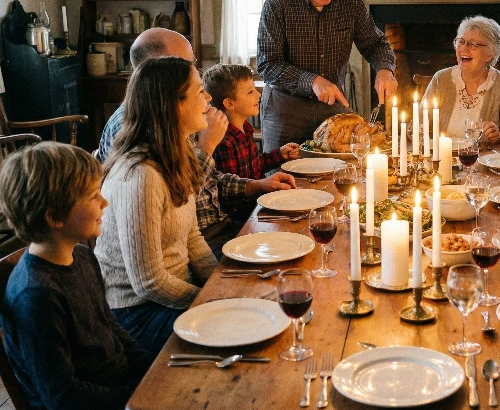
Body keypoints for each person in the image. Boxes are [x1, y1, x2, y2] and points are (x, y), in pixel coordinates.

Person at [99, 28, 295, 256]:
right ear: (160, 72)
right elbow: (174, 199)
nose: (195, 73)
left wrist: (258, 185)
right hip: (187, 247)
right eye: (187, 64)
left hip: (209, 232)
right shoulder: (132, 129)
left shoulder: (175, 118)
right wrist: (207, 147)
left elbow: (208, 185)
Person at [0, 142, 154, 410]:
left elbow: (110, 325)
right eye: (93, 195)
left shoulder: (82, 256)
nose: (104, 201)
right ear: (55, 217)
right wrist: (135, 398)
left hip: (121, 387)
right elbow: (63, 397)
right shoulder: (36, 295)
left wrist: (151, 369)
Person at [95, 57, 220, 353]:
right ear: (173, 103)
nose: (209, 98)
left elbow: (191, 238)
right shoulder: (140, 174)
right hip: (136, 314)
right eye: (200, 91)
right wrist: (211, 300)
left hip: (172, 296)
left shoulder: (177, 153)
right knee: (238, 334)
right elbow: (149, 282)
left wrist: (222, 284)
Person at [257, 0, 398, 152]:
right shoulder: (277, 4)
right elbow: (268, 65)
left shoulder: (350, 2)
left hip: (333, 112)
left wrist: (385, 70)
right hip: (285, 111)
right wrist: (312, 81)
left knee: (335, 176)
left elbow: (376, 44)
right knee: (281, 180)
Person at [203, 64, 301, 217]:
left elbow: (254, 167)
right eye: (250, 92)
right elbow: (229, 193)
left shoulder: (246, 129)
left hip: (255, 206)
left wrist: (280, 154)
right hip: (243, 218)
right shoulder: (224, 141)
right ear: (229, 103)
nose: (258, 95)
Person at [423, 15, 500, 144]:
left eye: (472, 44)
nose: (463, 48)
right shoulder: (440, 79)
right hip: (442, 161)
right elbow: (419, 126)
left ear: (490, 54)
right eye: (461, 42)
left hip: (483, 162)